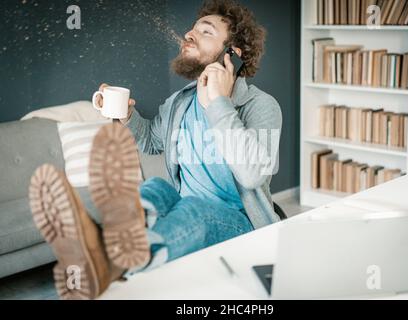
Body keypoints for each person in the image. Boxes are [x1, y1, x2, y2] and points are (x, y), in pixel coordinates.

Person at [29, 0, 282, 299]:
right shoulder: (180, 102)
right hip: (186, 206)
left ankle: (110, 262)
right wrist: (126, 117)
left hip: (239, 222)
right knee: (154, 188)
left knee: (194, 211)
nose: (190, 33)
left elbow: (252, 176)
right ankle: (109, 245)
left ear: (232, 55)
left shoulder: (260, 106)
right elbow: (151, 140)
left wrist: (219, 104)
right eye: (192, 27)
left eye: (205, 30)